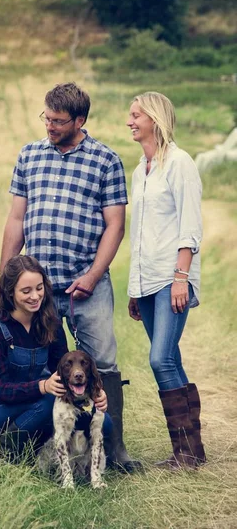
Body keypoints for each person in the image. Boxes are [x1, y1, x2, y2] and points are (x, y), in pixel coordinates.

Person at [0, 82, 141, 473]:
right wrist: (5, 279)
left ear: (80, 120)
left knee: (103, 365)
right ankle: (50, 447)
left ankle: (114, 448)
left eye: (58, 121)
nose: (50, 126)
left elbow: (115, 226)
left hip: (87, 288)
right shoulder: (29, 155)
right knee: (43, 369)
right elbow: (16, 220)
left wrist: (94, 276)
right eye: (46, 117)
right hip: (37, 292)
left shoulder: (105, 160)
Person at [127, 91, 206, 469]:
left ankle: (186, 453)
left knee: (160, 359)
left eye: (135, 115)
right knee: (169, 358)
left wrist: (181, 277)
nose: (129, 121)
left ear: (154, 119)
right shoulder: (138, 170)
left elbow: (190, 226)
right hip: (145, 279)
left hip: (171, 277)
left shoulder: (180, 163)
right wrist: (132, 287)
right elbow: (140, 231)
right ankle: (191, 451)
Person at [0, 255, 111, 457]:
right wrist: (42, 386)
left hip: (37, 405)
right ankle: (4, 451)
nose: (35, 296)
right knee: (48, 403)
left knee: (105, 423)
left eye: (39, 288)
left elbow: (65, 373)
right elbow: (0, 390)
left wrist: (94, 393)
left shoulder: (51, 324)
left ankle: (35, 447)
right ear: (10, 293)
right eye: (26, 291)